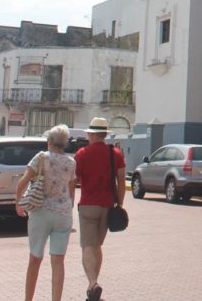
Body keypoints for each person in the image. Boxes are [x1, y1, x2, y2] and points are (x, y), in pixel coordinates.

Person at [14, 124, 76, 301]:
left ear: (49, 141)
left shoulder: (41, 157)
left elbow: (24, 181)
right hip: (63, 214)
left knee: (35, 259)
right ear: (65, 143)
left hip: (41, 211)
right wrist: (67, 207)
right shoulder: (71, 162)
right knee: (58, 261)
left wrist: (18, 202)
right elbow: (71, 190)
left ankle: (28, 299)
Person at [73, 117, 126, 301]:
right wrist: (120, 203)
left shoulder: (81, 153)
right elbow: (121, 181)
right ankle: (93, 288)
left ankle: (92, 283)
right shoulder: (116, 154)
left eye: (89, 134)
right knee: (96, 246)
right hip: (107, 205)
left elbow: (75, 179)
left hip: (88, 204)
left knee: (87, 246)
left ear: (94, 134)